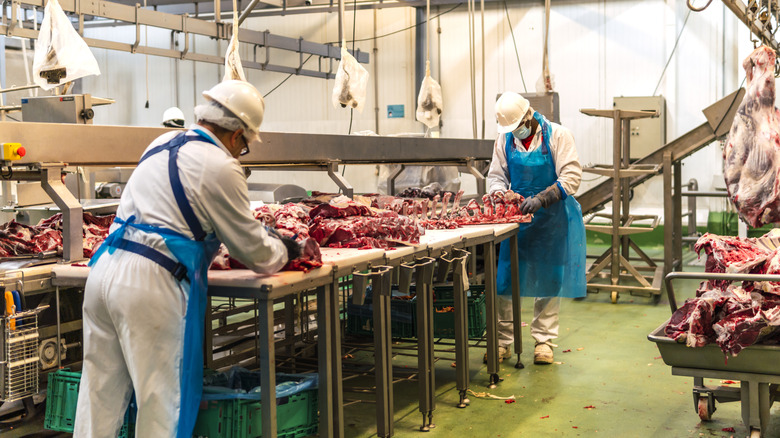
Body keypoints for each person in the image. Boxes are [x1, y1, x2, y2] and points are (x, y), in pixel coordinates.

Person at [74, 80, 301, 437]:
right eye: (244, 146)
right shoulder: (221, 166)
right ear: (237, 135)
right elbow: (253, 251)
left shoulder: (163, 142)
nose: (240, 152)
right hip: (151, 284)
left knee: (98, 398)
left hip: (105, 271)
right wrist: (286, 250)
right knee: (162, 405)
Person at [487, 91, 586, 365]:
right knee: (506, 281)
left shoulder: (558, 135)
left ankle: (543, 341)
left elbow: (572, 176)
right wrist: (501, 194)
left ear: (529, 116)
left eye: (518, 126)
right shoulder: (504, 139)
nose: (516, 132)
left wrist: (543, 198)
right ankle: (502, 341)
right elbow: (496, 176)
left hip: (551, 219)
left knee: (548, 279)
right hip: (516, 220)